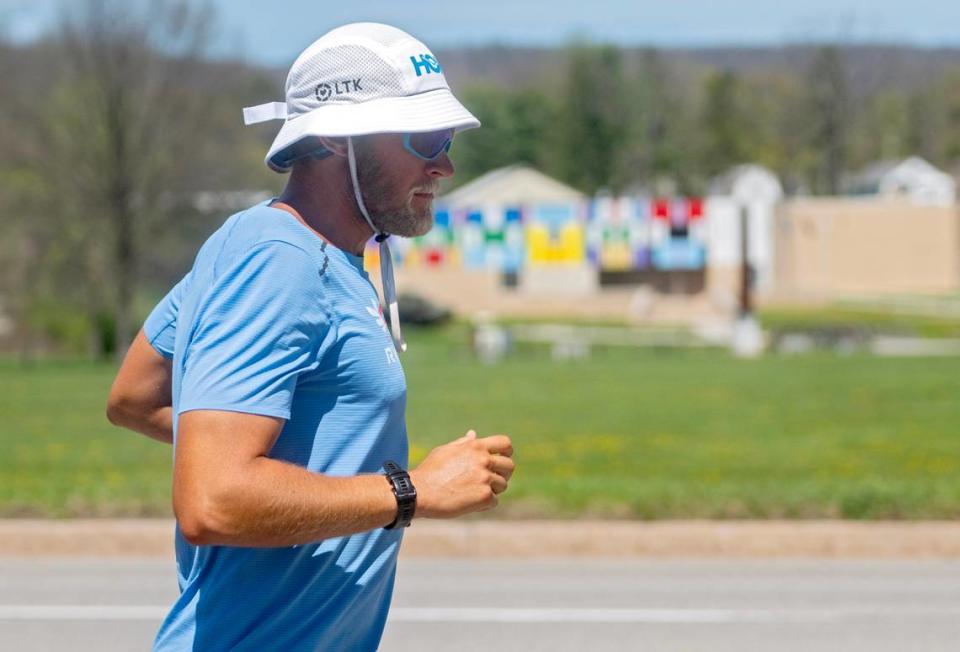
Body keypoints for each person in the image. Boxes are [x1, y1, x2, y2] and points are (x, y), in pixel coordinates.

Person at [106, 22, 514, 651]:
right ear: (332, 137)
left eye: (448, 135)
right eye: (426, 136)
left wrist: (294, 470)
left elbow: (136, 397)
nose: (446, 162)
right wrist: (411, 490)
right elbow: (211, 501)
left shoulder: (285, 248)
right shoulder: (276, 260)